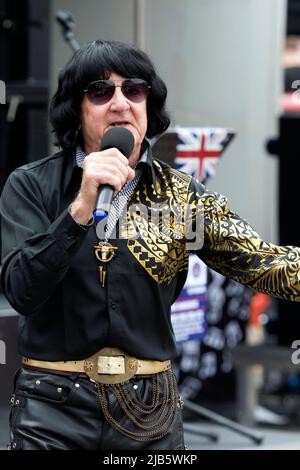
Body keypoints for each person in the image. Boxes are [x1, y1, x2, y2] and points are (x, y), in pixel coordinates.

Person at [1, 39, 300, 451]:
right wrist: (82, 206)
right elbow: (21, 290)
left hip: (150, 413)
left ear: (147, 105)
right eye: (101, 91)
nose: (120, 103)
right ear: (77, 108)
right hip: (53, 410)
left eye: (134, 90)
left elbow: (264, 264)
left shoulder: (181, 195)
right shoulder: (30, 185)